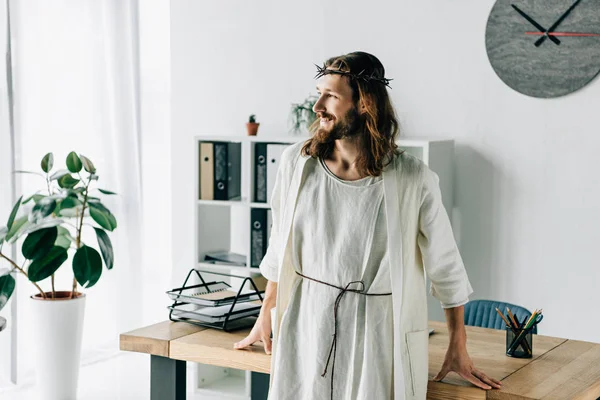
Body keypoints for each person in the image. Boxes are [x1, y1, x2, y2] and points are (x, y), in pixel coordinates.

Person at [233, 51, 502, 399]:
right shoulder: (297, 164)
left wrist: (458, 347)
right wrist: (265, 313)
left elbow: (446, 266)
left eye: (331, 95)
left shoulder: (411, 177)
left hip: (376, 332)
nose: (317, 106)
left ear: (365, 103)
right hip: (306, 322)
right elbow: (279, 243)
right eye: (319, 93)